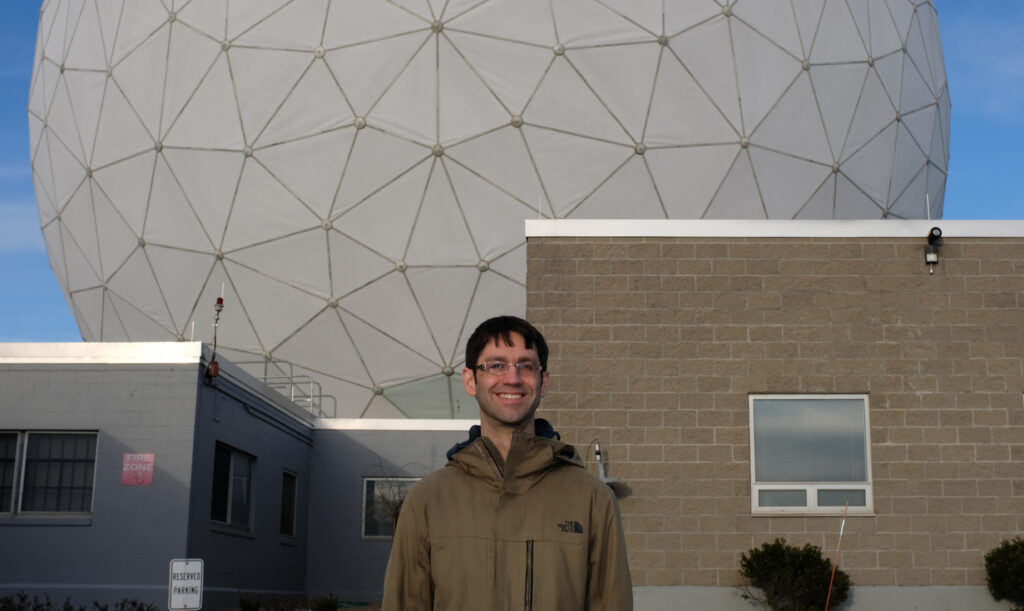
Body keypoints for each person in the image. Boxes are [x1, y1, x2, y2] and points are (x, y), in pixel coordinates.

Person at [382, 315, 633, 610]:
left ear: (543, 382)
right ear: (470, 380)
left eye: (526, 366)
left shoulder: (591, 499)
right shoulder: (426, 501)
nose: (512, 378)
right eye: (496, 365)